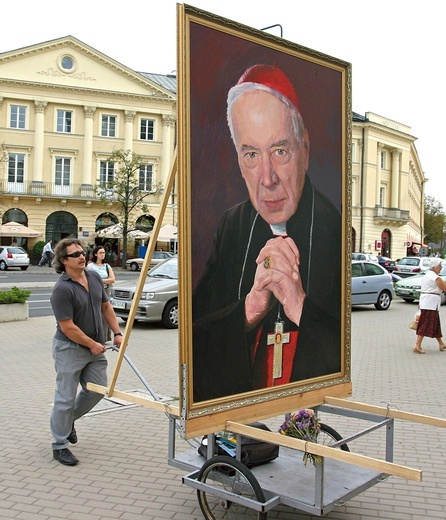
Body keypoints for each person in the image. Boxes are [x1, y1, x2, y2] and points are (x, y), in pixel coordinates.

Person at [192, 64, 341, 402]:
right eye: (251, 155)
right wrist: (249, 308)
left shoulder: (334, 227)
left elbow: (341, 348)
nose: (268, 178)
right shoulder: (233, 226)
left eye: (280, 151)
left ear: (304, 150)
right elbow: (196, 336)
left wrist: (298, 304)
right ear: (238, 160)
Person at [50, 238, 123, 466]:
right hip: (70, 348)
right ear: (64, 261)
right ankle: (59, 445)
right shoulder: (62, 290)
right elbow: (67, 326)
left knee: (98, 389)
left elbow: (105, 306)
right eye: (76, 254)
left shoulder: (92, 276)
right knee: (65, 397)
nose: (82, 256)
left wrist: (117, 332)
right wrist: (91, 344)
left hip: (96, 347)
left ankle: (68, 421)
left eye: (83, 252)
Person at [413, 258, 446, 354]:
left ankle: (441, 344)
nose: (441, 268)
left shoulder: (427, 275)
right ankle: (417, 345)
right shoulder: (435, 277)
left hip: (426, 301)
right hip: (430, 303)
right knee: (426, 323)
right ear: (435, 267)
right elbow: (443, 287)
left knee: (435, 324)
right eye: (440, 266)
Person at [86, 245, 116, 342]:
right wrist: (104, 281)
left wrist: (99, 280)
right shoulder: (90, 266)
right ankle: (95, 336)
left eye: (103, 253)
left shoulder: (107, 266)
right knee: (95, 313)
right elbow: (89, 279)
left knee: (105, 313)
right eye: (100, 253)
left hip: (105, 291)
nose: (102, 255)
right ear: (95, 254)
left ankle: (105, 337)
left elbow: (112, 279)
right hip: (94, 291)